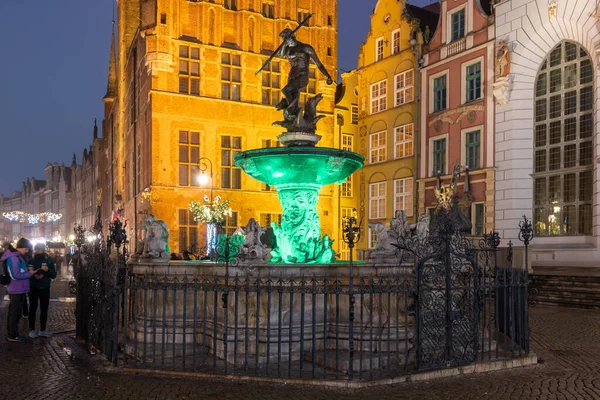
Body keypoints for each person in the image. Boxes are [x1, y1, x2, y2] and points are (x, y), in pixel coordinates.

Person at [269, 28, 334, 117]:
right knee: (294, 97)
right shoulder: (287, 50)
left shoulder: (305, 48)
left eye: (285, 38)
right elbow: (280, 54)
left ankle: (292, 111)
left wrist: (328, 76)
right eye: (284, 39)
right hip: (292, 77)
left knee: (286, 90)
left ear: (291, 37)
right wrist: (284, 44)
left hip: (302, 76)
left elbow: (318, 63)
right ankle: (295, 116)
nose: (285, 41)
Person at [1, 238, 41, 342]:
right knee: (15, 313)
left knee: (14, 312)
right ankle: (13, 335)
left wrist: (27, 271)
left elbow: (19, 271)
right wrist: (30, 273)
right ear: (23, 247)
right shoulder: (14, 258)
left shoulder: (18, 257)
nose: (27, 251)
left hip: (20, 288)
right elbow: (15, 275)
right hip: (16, 289)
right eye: (27, 249)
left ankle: (12, 333)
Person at [27, 243, 57, 338]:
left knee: (44, 309)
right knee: (32, 309)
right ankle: (32, 330)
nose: (38, 251)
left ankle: (42, 330)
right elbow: (25, 274)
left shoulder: (48, 261)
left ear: (43, 250)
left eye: (40, 249)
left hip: (45, 288)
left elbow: (54, 275)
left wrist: (47, 270)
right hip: (33, 288)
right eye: (36, 249)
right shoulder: (30, 261)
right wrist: (31, 274)